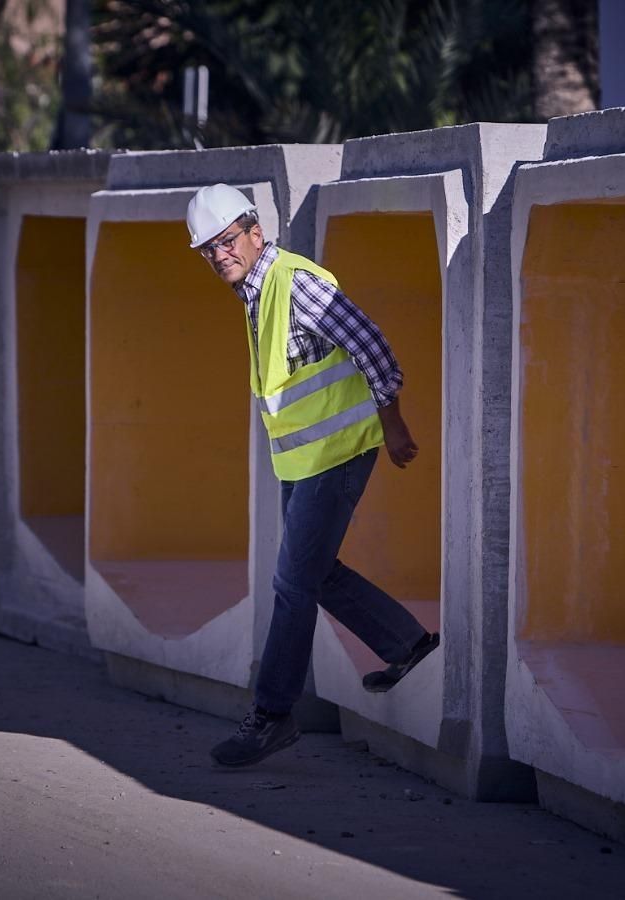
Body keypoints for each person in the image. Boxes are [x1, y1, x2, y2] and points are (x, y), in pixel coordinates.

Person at [186, 184, 440, 768]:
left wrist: (393, 424)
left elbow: (373, 346)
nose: (220, 254)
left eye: (227, 241)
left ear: (254, 231)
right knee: (315, 574)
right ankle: (406, 644)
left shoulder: (294, 282)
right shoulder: (255, 291)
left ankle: (272, 716)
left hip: (339, 453)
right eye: (208, 249)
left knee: (292, 583)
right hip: (305, 459)